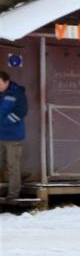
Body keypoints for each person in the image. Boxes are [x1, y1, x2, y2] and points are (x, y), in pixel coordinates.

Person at [0, 70, 27, 201]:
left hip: (13, 137)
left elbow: (22, 110)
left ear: (7, 81)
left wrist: (5, 122)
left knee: (13, 166)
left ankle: (13, 195)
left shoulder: (17, 93)